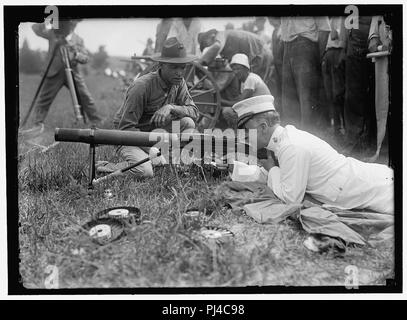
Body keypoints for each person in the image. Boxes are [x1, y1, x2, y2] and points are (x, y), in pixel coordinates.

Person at [231, 95, 394, 214]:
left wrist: (273, 169)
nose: (244, 137)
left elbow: (290, 199)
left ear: (263, 127)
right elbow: (276, 175)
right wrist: (234, 168)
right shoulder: (285, 138)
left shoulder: (290, 147)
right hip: (357, 178)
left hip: (370, 189)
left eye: (246, 132)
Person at [96, 37, 199, 178]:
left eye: (182, 67)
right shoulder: (142, 86)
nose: (180, 72)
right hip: (129, 136)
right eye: (174, 67)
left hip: (153, 132)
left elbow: (194, 111)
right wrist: (153, 151)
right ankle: (107, 167)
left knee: (188, 123)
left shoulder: (179, 83)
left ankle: (171, 161)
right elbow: (125, 128)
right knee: (145, 172)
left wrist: (171, 107)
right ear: (161, 65)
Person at [22, 19, 102, 134]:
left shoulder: (78, 40)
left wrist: (76, 54)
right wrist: (50, 20)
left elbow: (85, 58)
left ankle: (96, 121)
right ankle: (37, 124)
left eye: (71, 23)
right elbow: (35, 28)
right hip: (54, 73)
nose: (68, 25)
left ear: (74, 25)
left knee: (85, 97)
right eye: (65, 22)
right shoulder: (52, 33)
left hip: (73, 73)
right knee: (44, 99)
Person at [280, 16, 331, 131]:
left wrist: (317, 56)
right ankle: (293, 141)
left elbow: (324, 28)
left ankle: (309, 139)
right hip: (287, 46)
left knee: (307, 99)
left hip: (305, 44)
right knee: (289, 100)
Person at [197, 28, 273, 80]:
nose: (207, 47)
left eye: (205, 44)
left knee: (254, 83)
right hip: (259, 54)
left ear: (211, 36)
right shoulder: (226, 42)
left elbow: (217, 46)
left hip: (261, 53)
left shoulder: (220, 35)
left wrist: (200, 63)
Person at [221, 53, 271, 128]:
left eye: (238, 69)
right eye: (234, 69)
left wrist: (221, 101)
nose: (236, 72)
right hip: (257, 109)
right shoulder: (244, 82)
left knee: (227, 111)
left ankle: (240, 133)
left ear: (246, 69)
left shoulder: (251, 79)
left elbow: (239, 102)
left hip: (263, 111)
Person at [321, 16, 346, 137]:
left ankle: (341, 127)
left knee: (337, 94)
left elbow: (334, 35)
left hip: (337, 50)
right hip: (329, 53)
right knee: (330, 94)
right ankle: (337, 128)